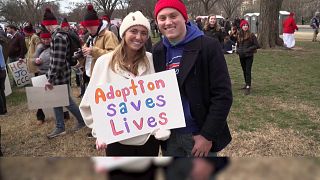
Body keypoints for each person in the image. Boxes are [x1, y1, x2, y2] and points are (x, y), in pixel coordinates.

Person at [79, 11, 170, 156]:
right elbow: (89, 102)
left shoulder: (152, 60)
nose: (139, 37)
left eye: (144, 33)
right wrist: (100, 130)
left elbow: (163, 98)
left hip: (148, 140)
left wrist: (161, 126)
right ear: (123, 33)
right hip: (116, 141)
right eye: (133, 31)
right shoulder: (104, 63)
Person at [153, 0, 233, 157]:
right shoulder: (157, 50)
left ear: (184, 18)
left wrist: (207, 135)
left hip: (198, 136)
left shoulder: (208, 46)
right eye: (162, 18)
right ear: (157, 22)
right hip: (170, 136)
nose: (168, 22)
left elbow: (223, 95)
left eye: (173, 16)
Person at [42, 8, 86, 139]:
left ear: (48, 24)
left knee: (66, 100)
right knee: (57, 100)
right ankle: (60, 126)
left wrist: (50, 79)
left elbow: (58, 60)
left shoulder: (59, 37)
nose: (45, 28)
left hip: (60, 75)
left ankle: (82, 121)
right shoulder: (58, 35)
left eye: (45, 25)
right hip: (60, 74)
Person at [79, 4, 119, 100]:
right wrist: (80, 55)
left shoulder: (108, 35)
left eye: (92, 26)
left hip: (104, 77)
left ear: (97, 24)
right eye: (87, 27)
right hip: (90, 75)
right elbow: (87, 56)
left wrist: (93, 51)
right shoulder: (90, 37)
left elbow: (114, 54)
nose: (89, 29)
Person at [236, 20, 259, 95]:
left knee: (248, 70)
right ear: (241, 26)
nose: (245, 26)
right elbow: (238, 44)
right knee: (244, 70)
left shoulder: (251, 35)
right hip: (241, 55)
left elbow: (257, 45)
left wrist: (248, 49)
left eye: (246, 25)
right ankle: (246, 84)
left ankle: (248, 86)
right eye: (244, 25)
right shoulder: (239, 34)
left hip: (249, 55)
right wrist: (238, 50)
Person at [0, 43, 7, 115]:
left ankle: (1, 110)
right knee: (2, 91)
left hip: (0, 70)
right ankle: (4, 109)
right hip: (2, 70)